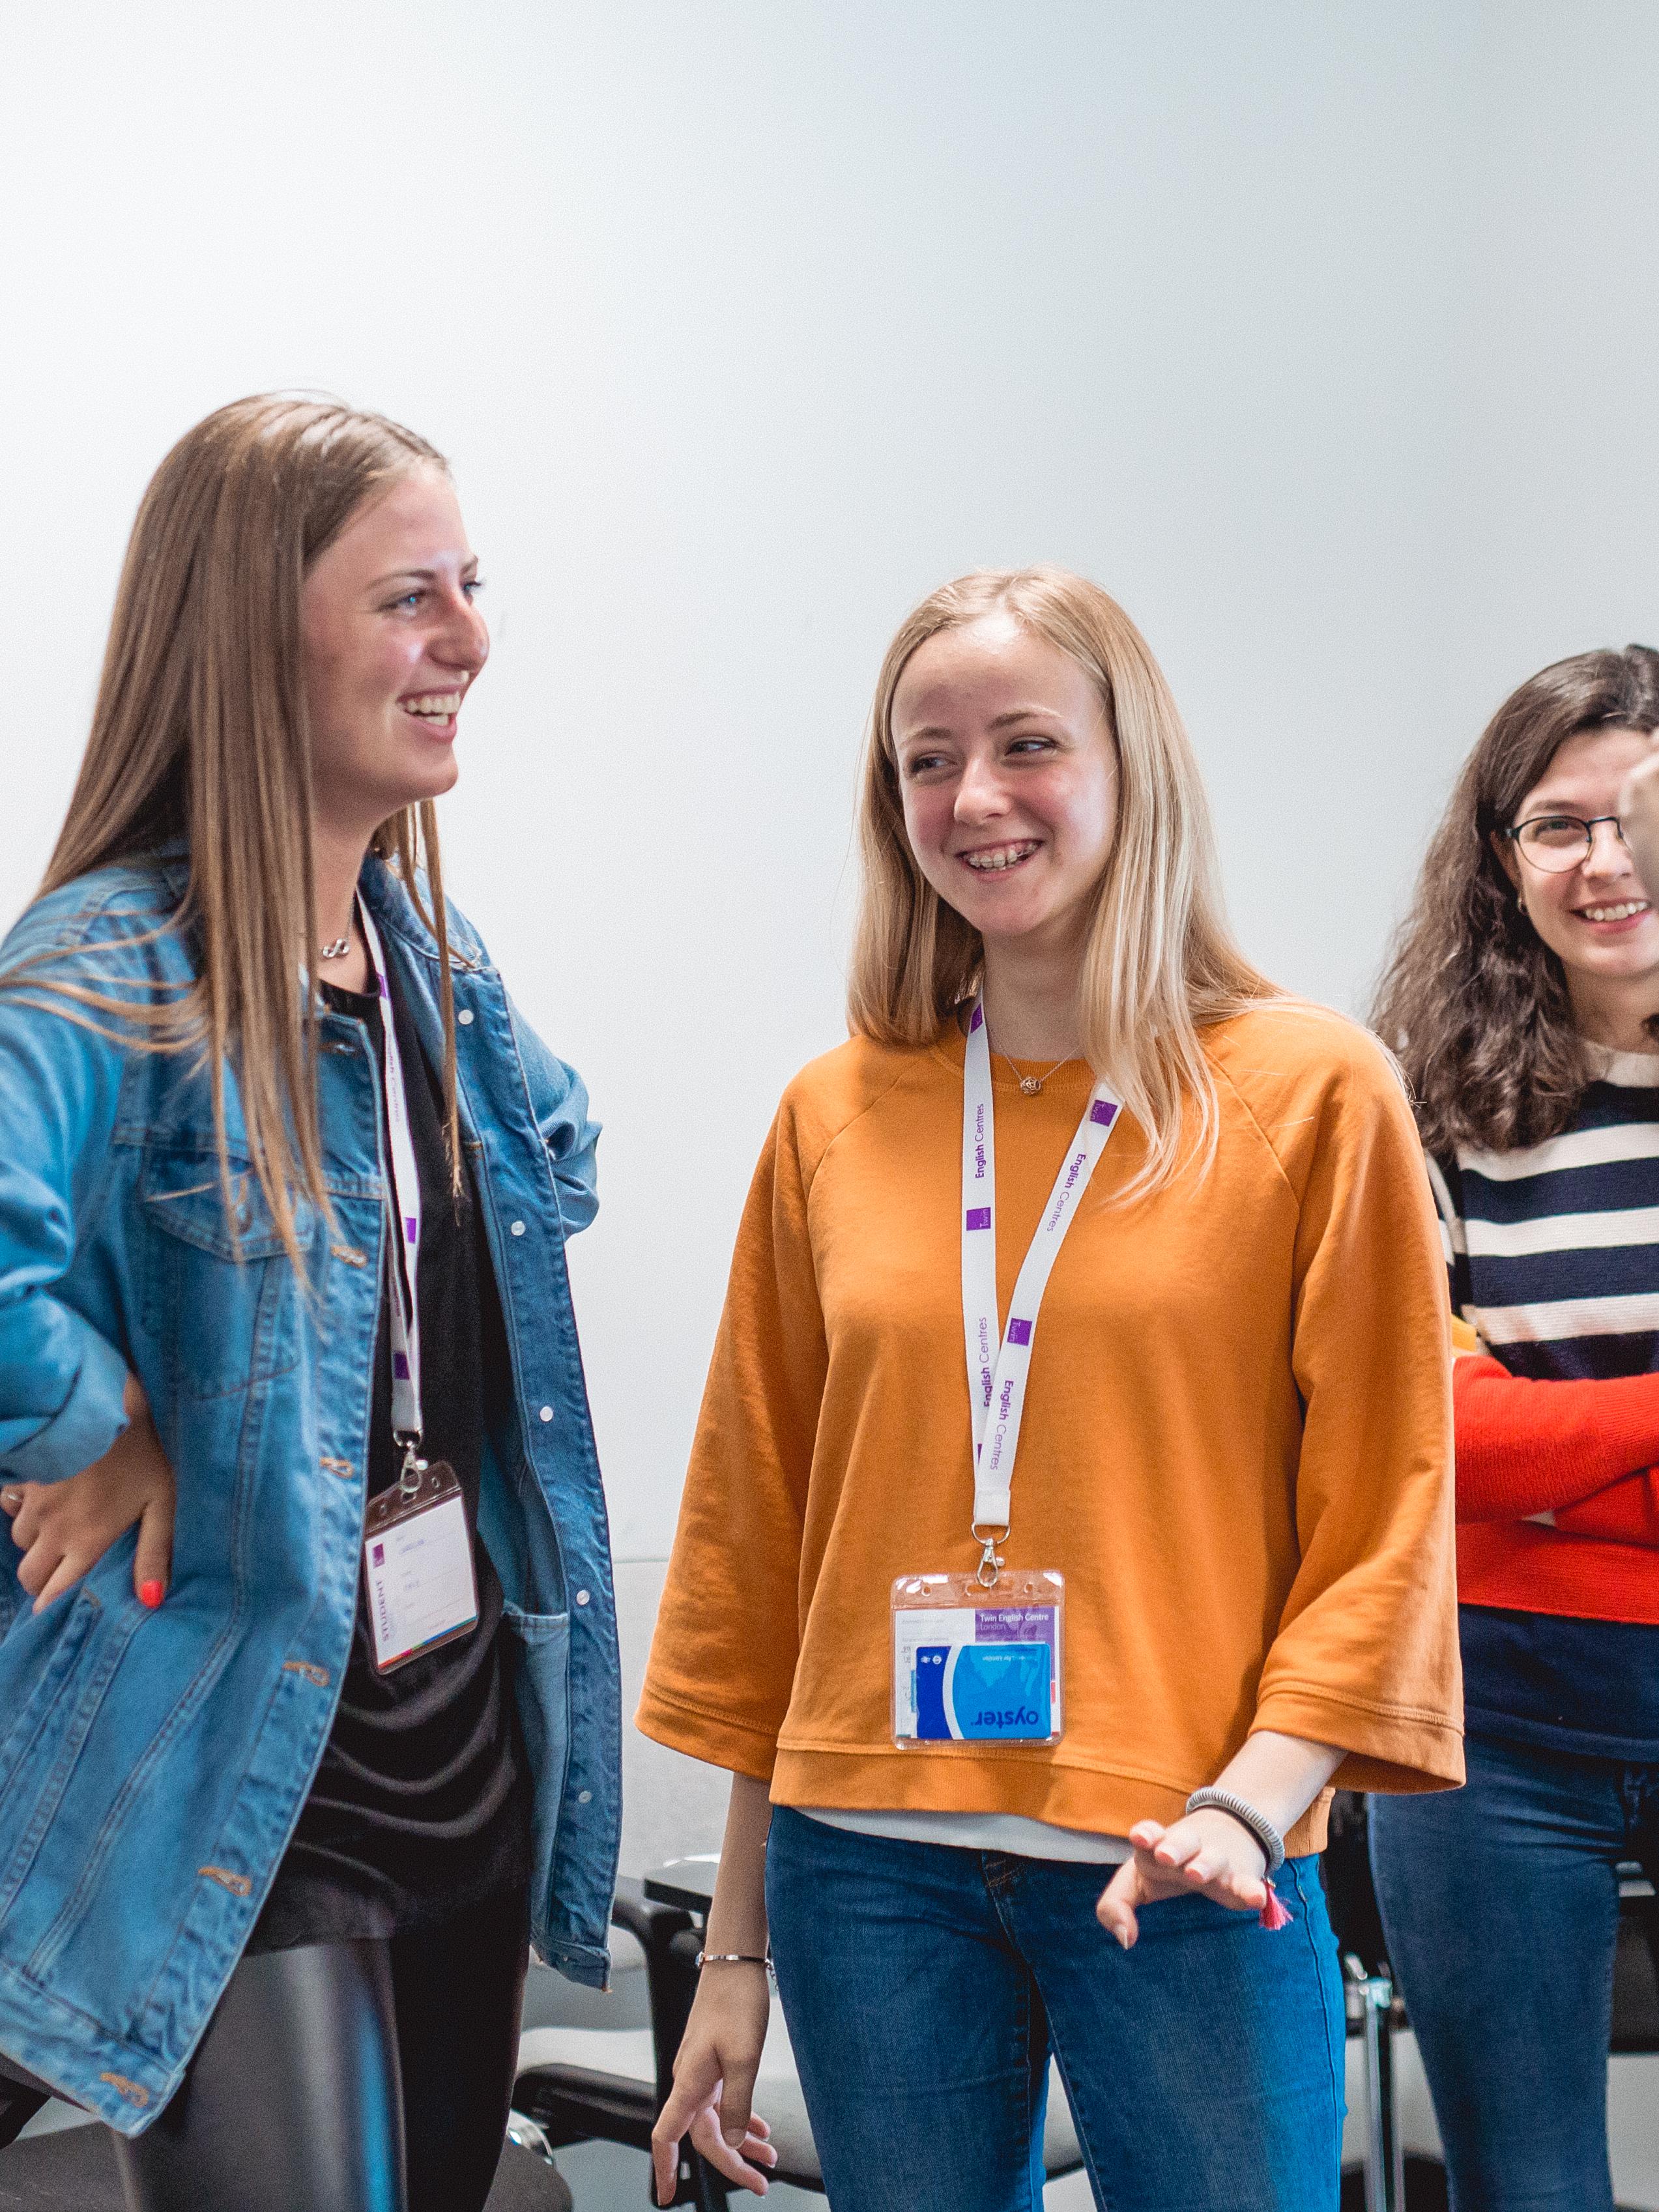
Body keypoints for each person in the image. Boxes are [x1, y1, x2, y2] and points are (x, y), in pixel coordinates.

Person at [636, 566, 1464, 2212]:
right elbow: (762, 1545)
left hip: (1187, 1859)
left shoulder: (1307, 1091)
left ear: (1129, 766)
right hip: (866, 1870)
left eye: (1026, 744)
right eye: (925, 760)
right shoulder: (834, 1110)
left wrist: (1254, 1805)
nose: (973, 798)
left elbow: (1387, 1504)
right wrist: (736, 1954)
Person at [0, 395, 620, 2212]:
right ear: (254, 633)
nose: (469, 641)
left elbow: (558, 1174)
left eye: (471, 588)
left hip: (459, 1751)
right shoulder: (110, 965)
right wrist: (96, 1417)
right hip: (242, 1786)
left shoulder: (421, 950)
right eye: (408, 597)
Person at [1369, 646, 1659, 2212]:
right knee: (1525, 2192)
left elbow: (1514, 1446)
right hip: (1494, 1725)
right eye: (1559, 825)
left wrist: (1564, 1458)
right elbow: (1435, 1440)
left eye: (1640, 818)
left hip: (1522, 1592)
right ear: (1502, 860)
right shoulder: (1423, 1107)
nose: (1607, 863)